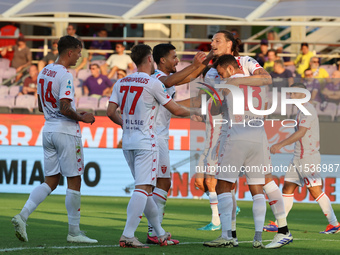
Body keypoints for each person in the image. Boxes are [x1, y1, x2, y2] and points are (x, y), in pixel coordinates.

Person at [107, 44, 198, 248]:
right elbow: (176, 109)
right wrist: (199, 112)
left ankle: (159, 233)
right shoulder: (152, 83)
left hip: (128, 141)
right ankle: (128, 235)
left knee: (146, 189)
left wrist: (127, 125)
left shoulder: (121, 82)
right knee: (143, 188)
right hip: (147, 141)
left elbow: (110, 112)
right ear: (150, 59)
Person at [11, 35, 97, 244]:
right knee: (74, 179)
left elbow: (41, 106)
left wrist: (71, 111)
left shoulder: (44, 71)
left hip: (48, 129)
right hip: (66, 132)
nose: (79, 57)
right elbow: (65, 107)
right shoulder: (65, 75)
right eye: (78, 53)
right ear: (70, 52)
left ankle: (22, 216)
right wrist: (83, 117)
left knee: (51, 180)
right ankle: (74, 232)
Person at [203, 55, 292, 249]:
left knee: (223, 186)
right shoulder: (258, 82)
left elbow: (216, 110)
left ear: (229, 69)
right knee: (258, 187)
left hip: (236, 135)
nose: (219, 76)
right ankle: (258, 238)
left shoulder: (228, 83)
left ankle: (227, 235)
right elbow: (267, 107)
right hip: (258, 135)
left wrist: (214, 94)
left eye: (220, 73)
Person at [145, 43, 210, 244]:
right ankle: (152, 231)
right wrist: (195, 64)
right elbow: (175, 78)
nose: (177, 60)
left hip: (159, 137)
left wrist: (207, 63)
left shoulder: (168, 82)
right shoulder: (158, 78)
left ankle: (154, 231)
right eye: (174, 57)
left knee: (160, 184)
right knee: (152, 185)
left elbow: (185, 79)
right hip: (154, 138)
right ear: (162, 60)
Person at [270, 83, 340, 234]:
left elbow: (301, 133)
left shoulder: (307, 110)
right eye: (290, 94)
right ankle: (278, 223)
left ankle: (334, 224)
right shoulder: (301, 110)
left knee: (315, 190)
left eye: (294, 93)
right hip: (298, 156)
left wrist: (279, 144)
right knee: (288, 187)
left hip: (307, 156)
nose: (291, 96)